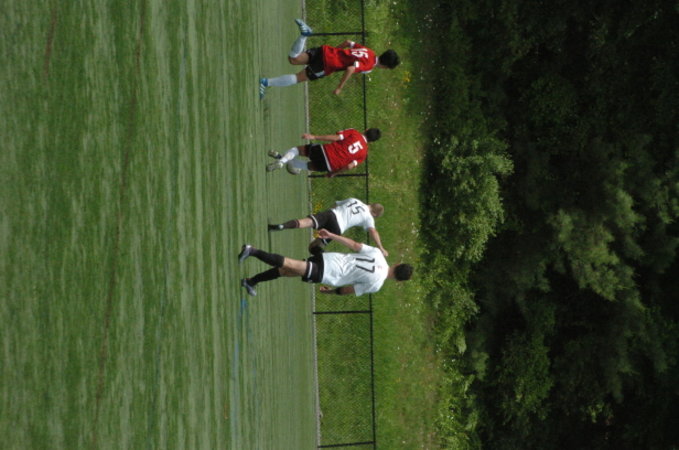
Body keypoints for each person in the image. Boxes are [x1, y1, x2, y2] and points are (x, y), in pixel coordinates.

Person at [238, 229, 413, 297]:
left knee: (286, 271)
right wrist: (330, 292)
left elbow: (354, 245)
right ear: (398, 280)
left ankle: (251, 281)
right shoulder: (376, 285)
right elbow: (348, 290)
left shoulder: (378, 254)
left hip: (328, 259)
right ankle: (251, 251)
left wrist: (332, 236)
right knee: (289, 264)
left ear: (397, 264)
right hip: (328, 273)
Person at [259, 19, 400, 98]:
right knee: (298, 78)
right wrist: (340, 87)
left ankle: (304, 35)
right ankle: (265, 83)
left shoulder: (369, 51)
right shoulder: (369, 65)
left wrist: (335, 51)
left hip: (327, 51)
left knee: (293, 59)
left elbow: (348, 42)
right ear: (386, 67)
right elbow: (351, 69)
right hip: (327, 65)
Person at [269, 198, 389, 257]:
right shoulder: (368, 217)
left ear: (371, 204)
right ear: (374, 214)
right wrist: (381, 248)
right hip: (337, 228)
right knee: (313, 247)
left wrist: (327, 214)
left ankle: (282, 225)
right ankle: (322, 260)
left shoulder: (355, 200)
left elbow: (336, 204)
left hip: (331, 214)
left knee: (305, 222)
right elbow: (373, 231)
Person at [266, 128, 380, 177]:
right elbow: (349, 166)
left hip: (325, 152)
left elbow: (336, 137)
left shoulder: (354, 133)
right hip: (330, 166)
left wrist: (315, 136)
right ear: (372, 142)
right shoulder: (364, 154)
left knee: (297, 150)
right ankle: (280, 158)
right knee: (306, 166)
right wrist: (334, 173)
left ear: (366, 130)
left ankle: (281, 161)